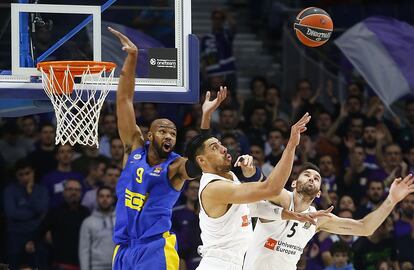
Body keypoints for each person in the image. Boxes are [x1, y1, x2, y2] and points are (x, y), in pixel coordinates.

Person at [108, 27, 227, 270]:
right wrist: (131, 58)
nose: (169, 135)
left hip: (155, 248)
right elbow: (124, 101)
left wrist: (205, 120)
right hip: (123, 248)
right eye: (163, 131)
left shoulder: (175, 166)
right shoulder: (133, 149)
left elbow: (201, 160)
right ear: (149, 135)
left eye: (173, 133)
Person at [185, 113, 331, 270]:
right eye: (216, 148)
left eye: (221, 144)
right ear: (202, 161)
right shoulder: (215, 188)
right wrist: (291, 145)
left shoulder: (227, 176)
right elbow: (272, 188)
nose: (224, 148)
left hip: (235, 263)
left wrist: (291, 215)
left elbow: (253, 208)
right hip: (219, 264)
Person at [243, 163, 414, 270]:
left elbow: (365, 228)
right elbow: (267, 188)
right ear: (294, 183)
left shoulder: (319, 218)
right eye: (307, 175)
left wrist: (392, 199)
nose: (312, 179)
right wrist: (253, 172)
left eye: (316, 178)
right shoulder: (283, 197)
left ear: (319, 193)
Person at [79, 186, 115, 270]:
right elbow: (84, 250)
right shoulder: (88, 222)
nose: (105, 199)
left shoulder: (121, 221)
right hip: (96, 267)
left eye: (108, 196)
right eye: (101, 196)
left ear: (113, 199)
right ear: (97, 199)